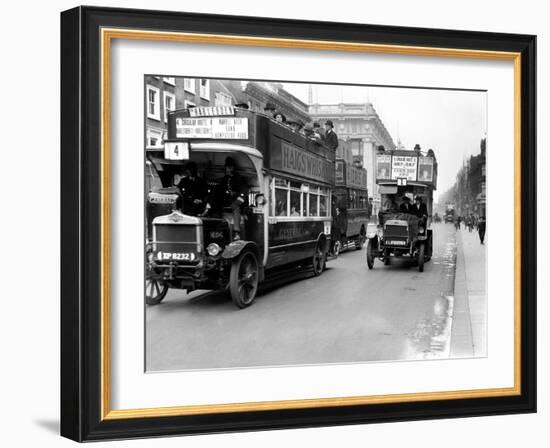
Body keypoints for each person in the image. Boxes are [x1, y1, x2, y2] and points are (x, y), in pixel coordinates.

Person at [203, 157, 248, 240]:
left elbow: (244, 192)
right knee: (216, 204)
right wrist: (210, 201)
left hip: (236, 202)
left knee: (236, 208)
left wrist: (237, 202)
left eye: (229, 167)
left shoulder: (239, 178)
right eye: (227, 167)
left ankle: (236, 232)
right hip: (226, 201)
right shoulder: (225, 178)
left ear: (233, 168)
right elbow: (219, 189)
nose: (227, 169)